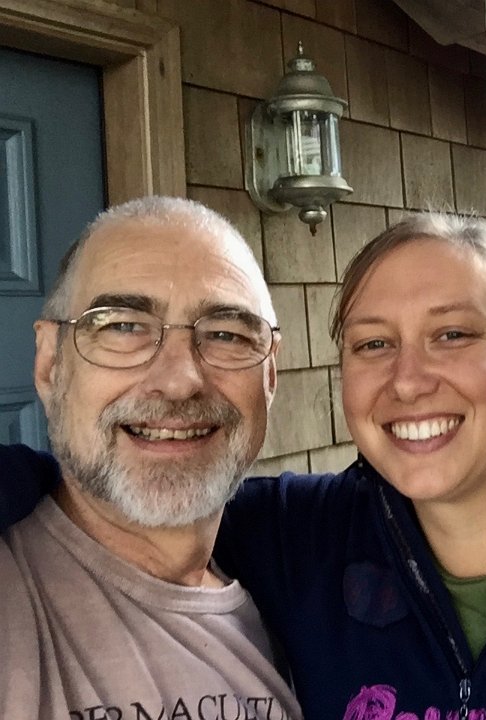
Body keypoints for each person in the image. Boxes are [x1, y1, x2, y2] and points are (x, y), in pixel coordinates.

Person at [3, 210, 486, 719]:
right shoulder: (301, 539)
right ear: (48, 361)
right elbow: (131, 490)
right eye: (373, 344)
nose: (408, 380)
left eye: (452, 335)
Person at [0, 197, 302, 719]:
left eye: (226, 334)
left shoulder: (311, 600)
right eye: (122, 326)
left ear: (269, 376)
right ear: (50, 364)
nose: (180, 380)